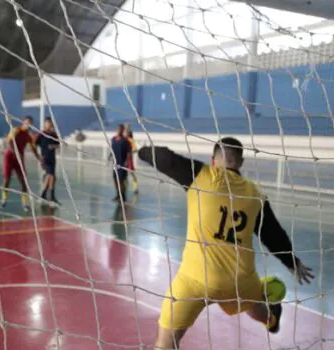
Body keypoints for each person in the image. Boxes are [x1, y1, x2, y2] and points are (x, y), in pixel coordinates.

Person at [138, 137, 314, 349]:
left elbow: (166, 158)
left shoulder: (200, 175)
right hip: (240, 280)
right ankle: (271, 319)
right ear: (241, 163)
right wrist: (292, 262)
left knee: (165, 342)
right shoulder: (255, 195)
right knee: (250, 303)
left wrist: (141, 151)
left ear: (213, 161)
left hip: (195, 280)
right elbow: (273, 235)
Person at [0, 115, 41, 212]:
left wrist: (39, 158)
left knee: (23, 182)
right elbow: (9, 142)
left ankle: (25, 203)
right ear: (23, 122)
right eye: (27, 123)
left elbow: (33, 148)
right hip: (9, 157)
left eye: (30, 124)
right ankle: (4, 199)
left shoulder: (28, 136)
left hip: (19, 159)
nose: (29, 125)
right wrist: (16, 152)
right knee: (6, 180)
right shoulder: (16, 130)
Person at [36, 117, 60, 204]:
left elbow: (58, 144)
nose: (49, 125)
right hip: (44, 158)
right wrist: (39, 156)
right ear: (44, 124)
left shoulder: (54, 135)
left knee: (52, 177)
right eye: (47, 123)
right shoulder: (41, 134)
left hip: (52, 158)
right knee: (51, 176)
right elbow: (34, 144)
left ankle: (47, 195)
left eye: (50, 123)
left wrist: (53, 146)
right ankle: (46, 196)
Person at [110, 124, 131, 203]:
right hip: (115, 163)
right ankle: (118, 195)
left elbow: (129, 152)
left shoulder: (125, 140)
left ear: (122, 130)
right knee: (115, 179)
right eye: (118, 129)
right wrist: (109, 156)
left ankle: (123, 196)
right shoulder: (113, 139)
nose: (119, 131)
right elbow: (111, 149)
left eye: (121, 129)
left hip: (122, 164)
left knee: (121, 180)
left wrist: (126, 161)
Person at [123, 125, 139, 194]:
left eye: (127, 131)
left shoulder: (131, 140)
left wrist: (129, 152)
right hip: (123, 159)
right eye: (125, 131)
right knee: (124, 175)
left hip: (129, 160)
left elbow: (135, 149)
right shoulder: (122, 139)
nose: (125, 133)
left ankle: (135, 188)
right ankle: (124, 188)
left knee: (132, 174)